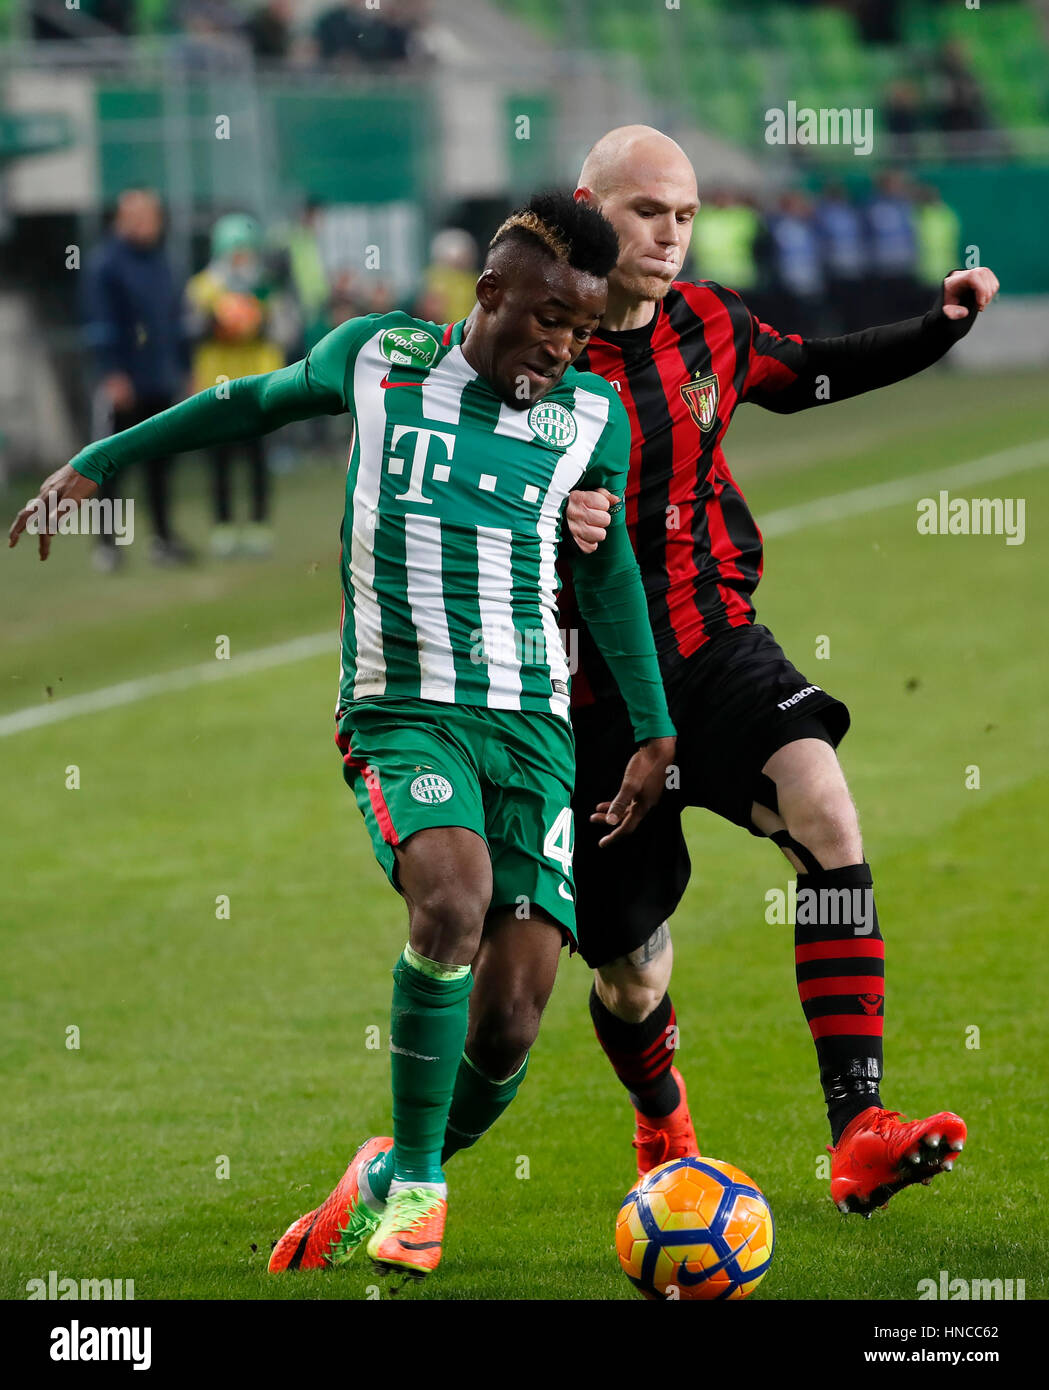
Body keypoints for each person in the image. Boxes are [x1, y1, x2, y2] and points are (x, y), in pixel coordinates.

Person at [9, 191, 676, 1282]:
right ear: (492, 292)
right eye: (550, 319)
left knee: (511, 1014)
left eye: (584, 330)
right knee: (449, 898)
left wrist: (651, 730)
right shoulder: (376, 357)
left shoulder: (591, 419)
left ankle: (389, 1170)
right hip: (402, 708)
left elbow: (600, 569)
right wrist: (104, 457)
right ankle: (419, 1189)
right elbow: (247, 401)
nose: (563, 347)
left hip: (532, 729)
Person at [562, 125, 998, 1217]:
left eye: (685, 214)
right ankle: (659, 1111)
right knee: (629, 976)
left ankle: (857, 1128)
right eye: (644, 213)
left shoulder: (709, 323)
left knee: (824, 810)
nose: (670, 235)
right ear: (586, 207)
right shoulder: (528, 348)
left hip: (713, 646)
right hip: (586, 695)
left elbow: (811, 373)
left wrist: (936, 328)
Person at [82, 188, 191, 569]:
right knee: (111, 463)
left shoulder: (164, 263)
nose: (147, 223)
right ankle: (108, 545)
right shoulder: (105, 264)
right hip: (124, 382)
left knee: (160, 464)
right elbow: (100, 323)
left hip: (159, 380)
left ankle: (163, 539)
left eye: (152, 215)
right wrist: (112, 373)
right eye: (138, 215)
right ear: (121, 219)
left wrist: (185, 370)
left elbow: (177, 322)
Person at [184, 213, 291, 557]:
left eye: (245, 250)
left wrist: (257, 325)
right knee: (220, 457)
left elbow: (287, 330)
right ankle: (224, 525)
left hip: (258, 380)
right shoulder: (204, 286)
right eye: (234, 250)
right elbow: (187, 331)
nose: (240, 257)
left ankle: (259, 523)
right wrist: (214, 324)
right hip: (217, 382)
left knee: (258, 456)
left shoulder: (266, 285)